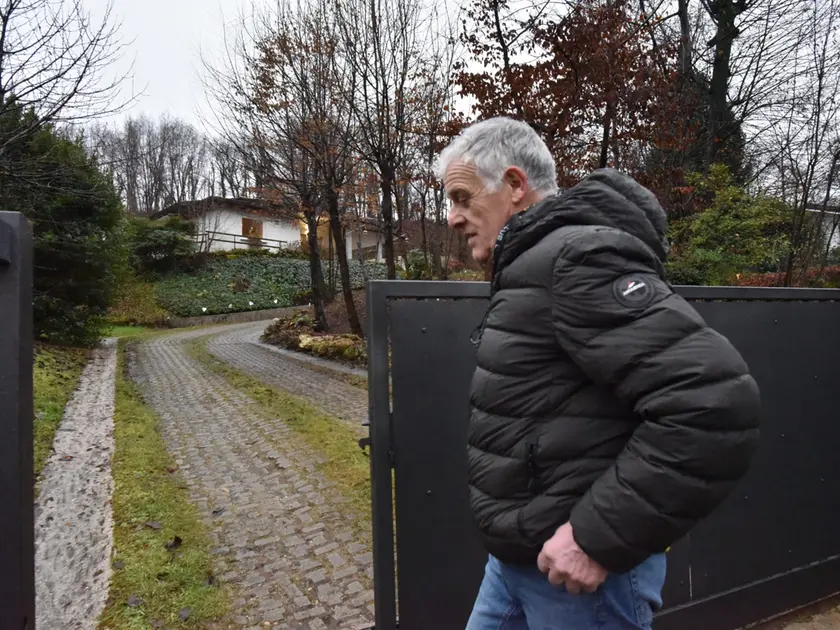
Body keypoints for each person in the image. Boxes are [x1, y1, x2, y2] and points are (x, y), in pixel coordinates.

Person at [435, 117, 761, 630]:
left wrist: (594, 537)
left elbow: (713, 403)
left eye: (461, 196)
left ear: (515, 186)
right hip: (517, 562)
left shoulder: (576, 258)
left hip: (579, 582)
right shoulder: (529, 264)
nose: (452, 217)